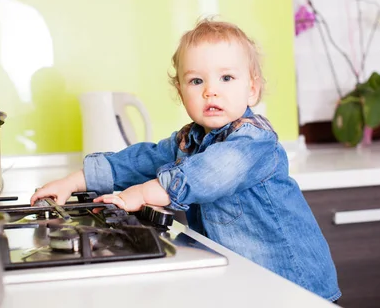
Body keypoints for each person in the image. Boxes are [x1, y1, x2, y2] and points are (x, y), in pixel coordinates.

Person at [31, 18, 341, 303]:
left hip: (293, 284)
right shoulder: (188, 140)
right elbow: (139, 161)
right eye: (196, 81)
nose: (210, 91)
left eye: (226, 78)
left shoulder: (253, 141)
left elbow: (209, 173)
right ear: (180, 91)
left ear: (252, 89)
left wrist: (140, 194)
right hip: (246, 284)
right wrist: (72, 181)